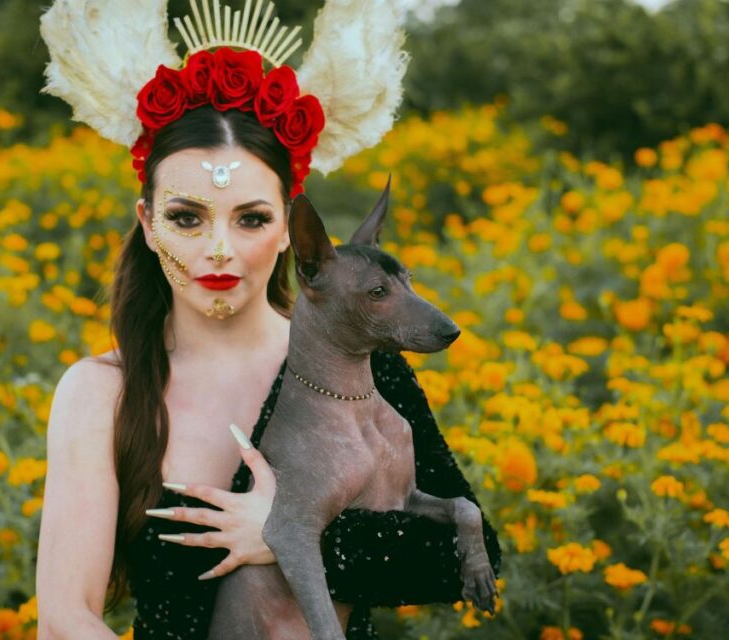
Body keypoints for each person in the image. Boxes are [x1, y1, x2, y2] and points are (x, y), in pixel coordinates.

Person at [34, 1, 501, 638]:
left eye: (251, 219)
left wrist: (288, 537)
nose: (218, 249)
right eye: (186, 218)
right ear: (147, 223)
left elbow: (465, 555)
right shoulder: (101, 392)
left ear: (289, 230)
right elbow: (65, 618)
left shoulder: (363, 364)